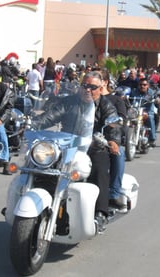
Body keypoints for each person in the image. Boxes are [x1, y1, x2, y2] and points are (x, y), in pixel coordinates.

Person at [35, 71, 121, 232]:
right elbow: (51, 116)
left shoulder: (105, 105)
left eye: (92, 87)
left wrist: (113, 140)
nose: (87, 90)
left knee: (100, 168)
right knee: (43, 164)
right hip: (67, 145)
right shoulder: (69, 102)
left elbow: (113, 124)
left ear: (100, 88)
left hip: (94, 146)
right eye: (85, 86)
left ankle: (100, 213)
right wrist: (33, 124)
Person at [100, 69, 128, 212]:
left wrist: (114, 140)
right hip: (85, 138)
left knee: (118, 154)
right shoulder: (86, 99)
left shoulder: (116, 100)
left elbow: (121, 121)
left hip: (107, 139)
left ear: (104, 82)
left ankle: (114, 193)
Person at [130, 78, 157, 146]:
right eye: (141, 84)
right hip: (136, 110)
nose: (142, 86)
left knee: (150, 118)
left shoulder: (151, 92)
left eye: (144, 85)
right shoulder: (134, 91)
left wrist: (156, 100)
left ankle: (152, 139)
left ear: (147, 85)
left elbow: (155, 98)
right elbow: (130, 99)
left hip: (147, 110)